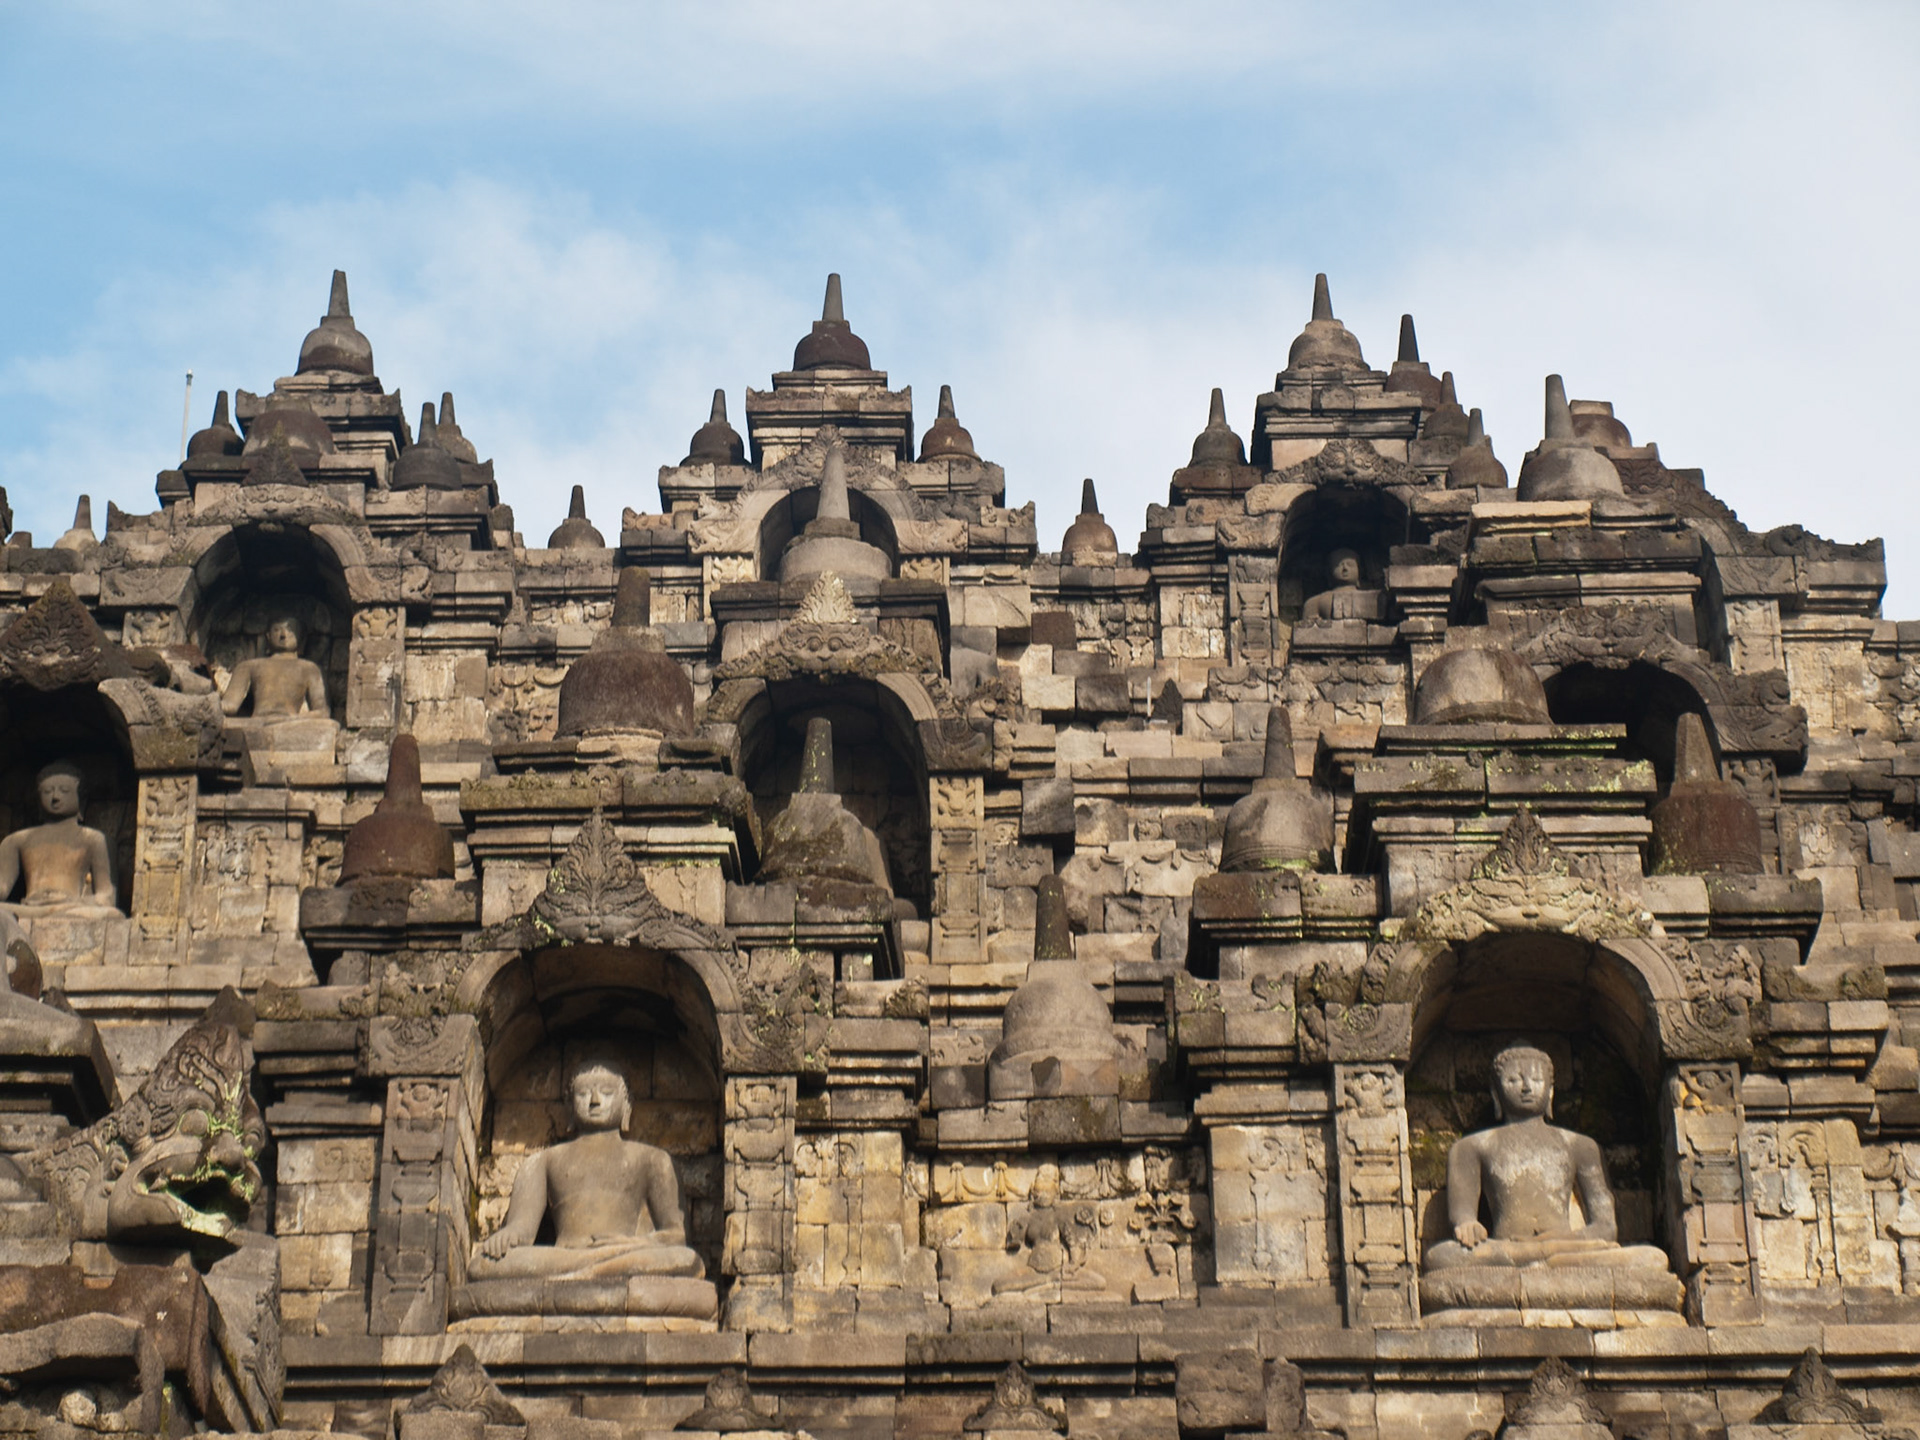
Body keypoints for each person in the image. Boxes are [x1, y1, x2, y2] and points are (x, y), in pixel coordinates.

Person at [1424, 1040, 1665, 1272]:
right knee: (1441, 1257)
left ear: (1551, 1091)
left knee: (1652, 1258)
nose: (1526, 1087)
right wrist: (1468, 1226)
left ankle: (1546, 1259)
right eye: (1513, 1080)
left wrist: (1557, 1241)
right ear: (1495, 1093)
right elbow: (1463, 1216)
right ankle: (1549, 1262)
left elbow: (1605, 1228)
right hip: (1507, 1248)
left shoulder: (1580, 1146)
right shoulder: (1471, 1147)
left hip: (1568, 1246)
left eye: (1536, 1079)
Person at [471, 1048, 703, 1280]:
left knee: (686, 1260)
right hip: (562, 1257)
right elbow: (522, 1229)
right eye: (583, 1093)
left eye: (606, 1092)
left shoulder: (653, 1159)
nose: (594, 1101)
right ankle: (591, 1271)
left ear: (627, 1103)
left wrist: (630, 1244)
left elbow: (676, 1236)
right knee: (482, 1265)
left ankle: (581, 1274)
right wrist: (508, 1237)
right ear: (569, 1104)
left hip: (623, 1251)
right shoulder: (543, 1161)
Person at [0, 761, 116, 911]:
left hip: (72, 909)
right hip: (29, 908)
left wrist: (74, 903)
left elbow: (106, 896)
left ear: (81, 797)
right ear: (37, 798)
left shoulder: (94, 839)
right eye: (47, 791)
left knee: (109, 913)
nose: (55, 797)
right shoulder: (16, 840)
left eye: (64, 790)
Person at [221, 615, 328, 719]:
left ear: (301, 637)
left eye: (290, 630)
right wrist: (211, 703)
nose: (283, 635)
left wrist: (294, 718)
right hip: (257, 723)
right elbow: (230, 705)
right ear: (268, 636)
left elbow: (322, 712)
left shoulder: (309, 668)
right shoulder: (248, 666)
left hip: (291, 723)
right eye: (276, 630)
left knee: (329, 727)